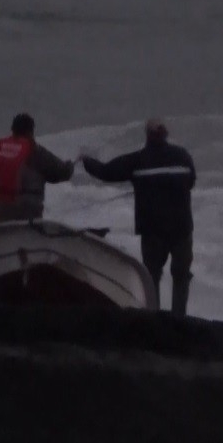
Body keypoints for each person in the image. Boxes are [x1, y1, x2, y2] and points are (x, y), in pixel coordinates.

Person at [81, 118, 197, 316]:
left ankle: (155, 319)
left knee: (151, 277)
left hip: (153, 231)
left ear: (148, 135)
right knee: (181, 276)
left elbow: (106, 172)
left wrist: (85, 160)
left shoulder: (138, 161)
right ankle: (179, 319)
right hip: (181, 228)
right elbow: (191, 181)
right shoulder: (183, 157)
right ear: (166, 134)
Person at [0, 113, 76, 224]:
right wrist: (70, 165)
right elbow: (63, 172)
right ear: (30, 131)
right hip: (27, 221)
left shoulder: (0, 150)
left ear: (13, 130)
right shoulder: (34, 150)